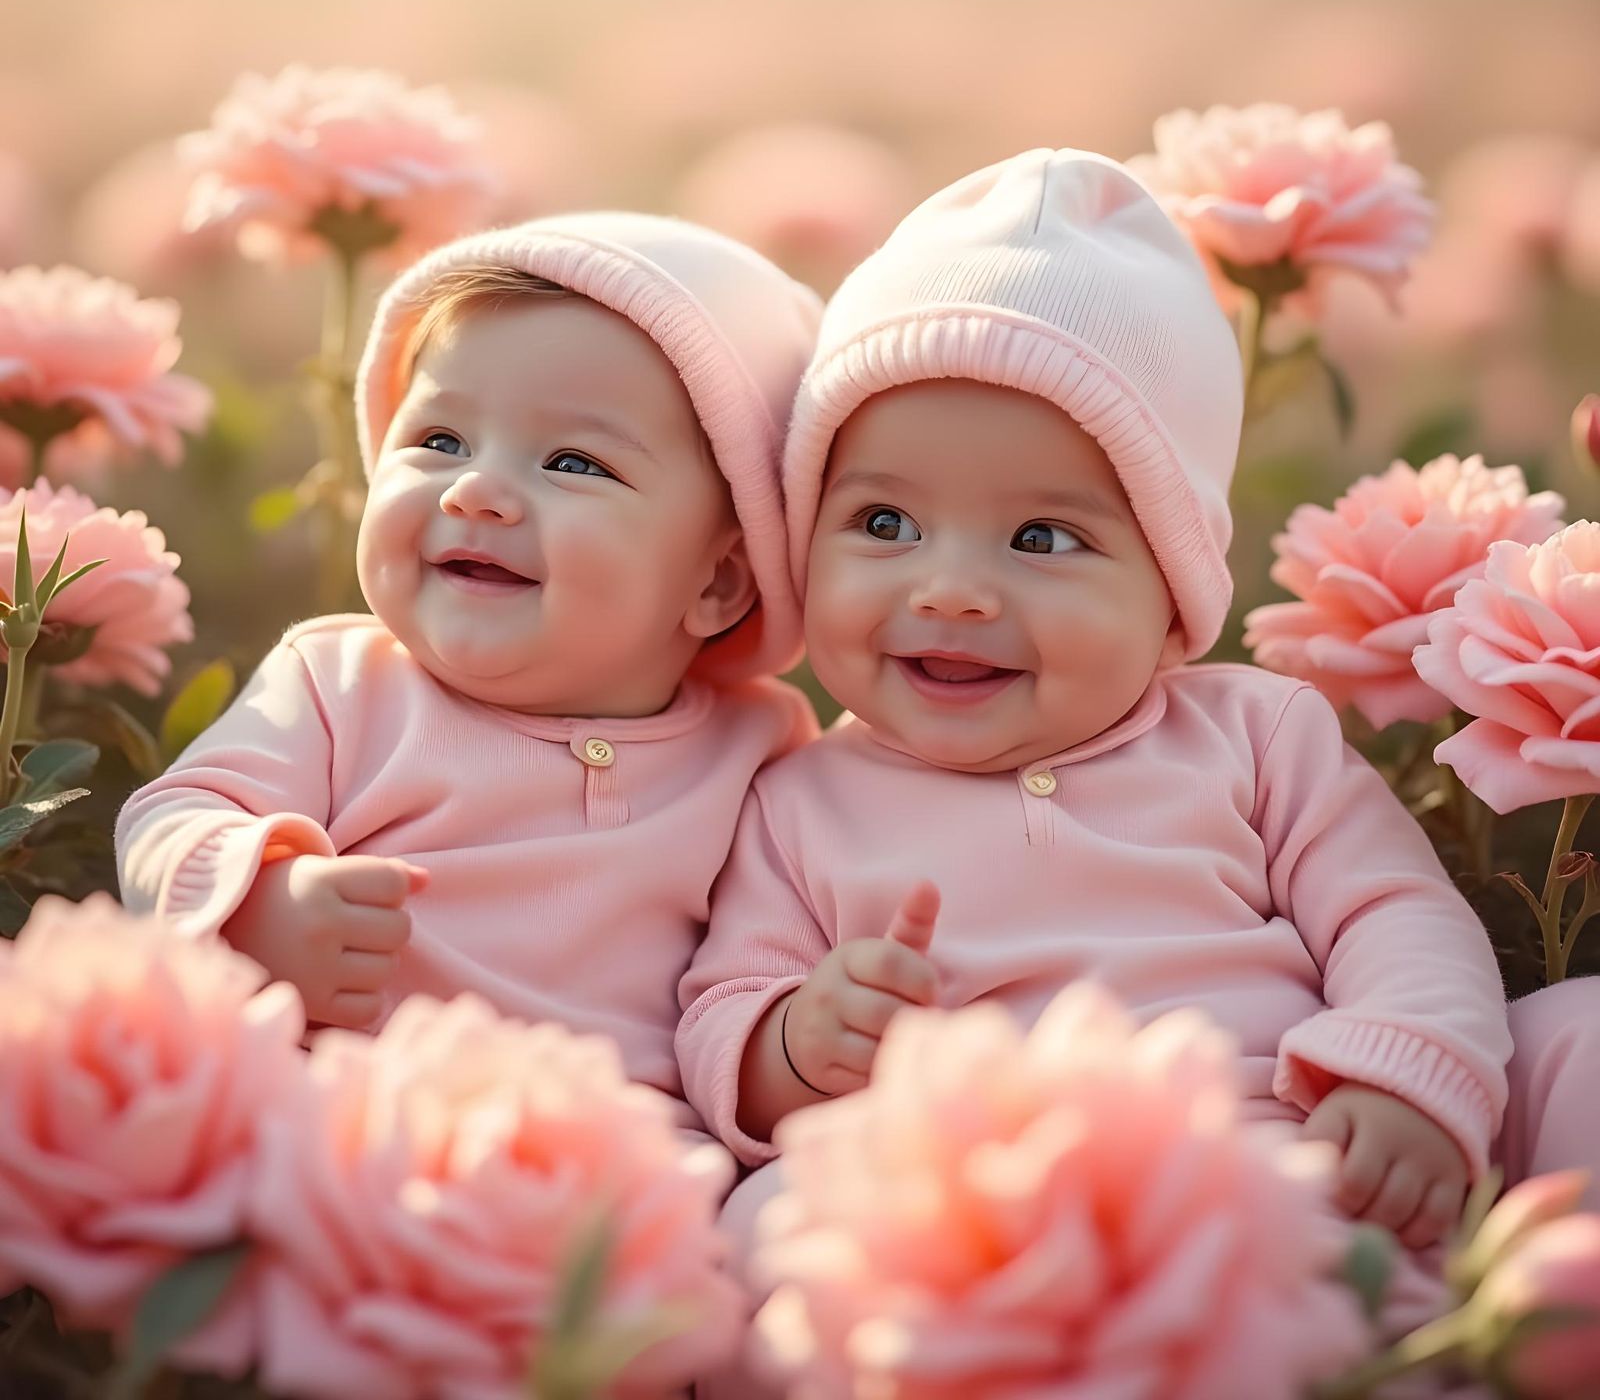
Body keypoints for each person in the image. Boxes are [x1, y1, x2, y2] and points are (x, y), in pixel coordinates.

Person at [676, 150, 1598, 1389]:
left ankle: (1469, 1340)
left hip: (1286, 1160)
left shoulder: (1252, 733)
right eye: (882, 522)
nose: (949, 588)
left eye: (1041, 536)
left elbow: (1393, 911)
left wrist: (1400, 1072)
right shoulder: (799, 795)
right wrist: (795, 1041)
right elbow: (720, 1005)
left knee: (1578, 1039)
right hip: (983, 1217)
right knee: (764, 1224)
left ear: (1171, 592)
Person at [118, 212, 821, 1120]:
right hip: (345, 1119)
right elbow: (170, 816)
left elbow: (763, 968)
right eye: (441, 441)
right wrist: (256, 898)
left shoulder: (759, 753)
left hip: (614, 1144)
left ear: (719, 580)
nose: (476, 490)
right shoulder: (339, 686)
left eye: (573, 462)